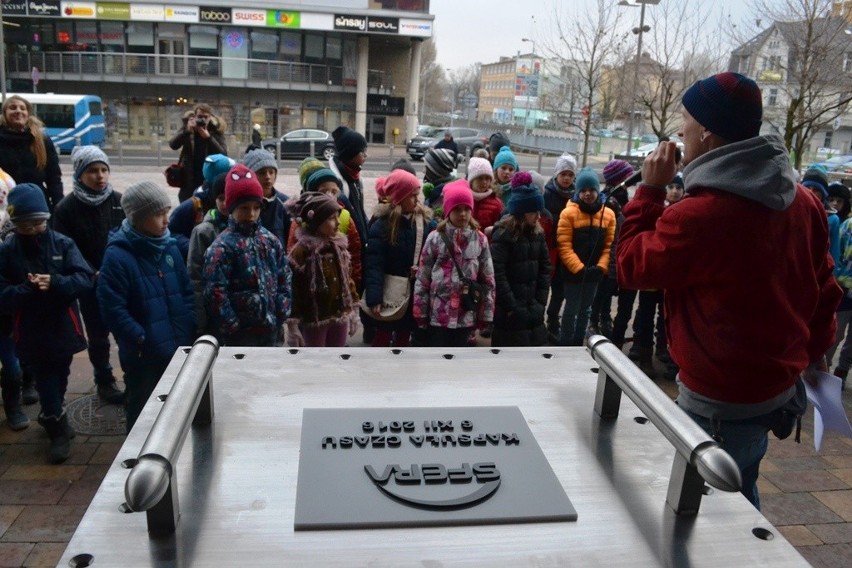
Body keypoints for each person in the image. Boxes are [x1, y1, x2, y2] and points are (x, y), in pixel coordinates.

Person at [617, 72, 841, 509]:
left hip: (717, 401)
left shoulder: (700, 216)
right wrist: (808, 358)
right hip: (773, 389)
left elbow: (630, 267)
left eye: (685, 120)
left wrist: (649, 190)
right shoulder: (803, 201)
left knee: (708, 509)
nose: (680, 132)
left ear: (706, 131)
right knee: (742, 483)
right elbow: (823, 290)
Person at [0, 183, 93, 462]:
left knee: (60, 373)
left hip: (62, 325)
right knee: (45, 379)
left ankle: (54, 413)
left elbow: (84, 279)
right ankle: (56, 425)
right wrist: (25, 290)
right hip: (30, 328)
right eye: (25, 224)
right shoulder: (8, 251)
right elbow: (2, 293)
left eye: (38, 223)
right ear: (15, 224)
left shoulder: (62, 244)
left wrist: (56, 283)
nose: (32, 229)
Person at [97, 181, 196, 432]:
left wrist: (189, 322)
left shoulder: (169, 247)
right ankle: (137, 458)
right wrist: (139, 337)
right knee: (142, 409)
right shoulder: (118, 256)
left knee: (176, 406)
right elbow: (112, 307)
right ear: (138, 218)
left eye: (167, 211)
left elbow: (186, 290)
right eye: (158, 214)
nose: (166, 220)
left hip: (177, 344)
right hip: (144, 355)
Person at [52, 146, 126, 404]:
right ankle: (104, 379)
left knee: (124, 329)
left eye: (104, 169)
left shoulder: (118, 201)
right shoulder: (66, 208)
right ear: (80, 174)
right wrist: (88, 272)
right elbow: (64, 247)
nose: (100, 175)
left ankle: (132, 374)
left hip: (119, 280)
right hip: (90, 282)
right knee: (97, 333)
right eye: (93, 170)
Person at [203, 164, 291, 347]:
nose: (250, 214)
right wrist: (232, 325)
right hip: (241, 335)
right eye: (244, 208)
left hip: (272, 327)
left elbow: (284, 276)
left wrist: (281, 311)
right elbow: (215, 292)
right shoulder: (222, 247)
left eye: (255, 208)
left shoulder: (270, 241)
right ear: (230, 208)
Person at [413, 180, 495, 347]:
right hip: (438, 315)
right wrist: (420, 310)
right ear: (448, 211)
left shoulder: (480, 240)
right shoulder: (435, 239)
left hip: (465, 316)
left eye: (466, 209)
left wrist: (486, 313)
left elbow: (488, 279)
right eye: (457, 209)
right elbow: (423, 277)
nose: (463, 214)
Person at [363, 169, 436, 348]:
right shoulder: (382, 226)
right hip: (390, 291)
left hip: (413, 292)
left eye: (417, 195)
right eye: (412, 196)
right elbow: (374, 264)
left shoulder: (425, 222)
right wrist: (375, 298)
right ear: (399, 197)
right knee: (384, 333)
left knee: (405, 333)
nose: (417, 200)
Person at [285, 192, 358, 347]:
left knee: (337, 356)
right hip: (314, 319)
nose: (338, 222)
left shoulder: (339, 248)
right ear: (316, 222)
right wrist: (293, 324)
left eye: (337, 217)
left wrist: (353, 310)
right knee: (316, 360)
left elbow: (347, 280)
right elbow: (294, 290)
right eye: (331, 218)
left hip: (339, 316)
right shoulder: (302, 252)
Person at [556, 167, 616, 347]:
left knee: (586, 310)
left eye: (591, 190)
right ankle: (566, 342)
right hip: (573, 273)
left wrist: (600, 267)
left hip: (594, 274)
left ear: (598, 190)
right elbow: (564, 245)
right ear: (577, 191)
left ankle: (577, 342)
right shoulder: (568, 214)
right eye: (583, 190)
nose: (587, 194)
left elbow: (609, 245)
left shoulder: (608, 214)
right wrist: (580, 269)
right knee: (571, 308)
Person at [490, 172, 551, 347]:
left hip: (534, 309)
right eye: (534, 212)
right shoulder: (504, 235)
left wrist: (540, 302)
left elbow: (545, 269)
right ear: (521, 212)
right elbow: (498, 274)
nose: (538, 216)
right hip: (510, 313)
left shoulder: (538, 234)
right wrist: (512, 307)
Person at [287, 168, 362, 287]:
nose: (329, 195)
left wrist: (354, 285)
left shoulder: (345, 217)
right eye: (324, 191)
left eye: (334, 191)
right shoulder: (300, 223)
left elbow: (355, 255)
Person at [593, 159, 636, 344]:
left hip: (617, 251)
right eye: (628, 176)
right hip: (608, 253)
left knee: (608, 290)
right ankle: (595, 321)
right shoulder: (610, 201)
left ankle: (603, 318)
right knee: (603, 291)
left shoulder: (621, 197)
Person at [0, 95, 63, 213]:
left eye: (22, 108)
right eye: (13, 108)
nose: (18, 111)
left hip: (37, 204)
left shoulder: (42, 140)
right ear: (5, 113)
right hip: (5, 205)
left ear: (28, 114)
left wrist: (58, 206)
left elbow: (54, 177)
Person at [168, 153, 235, 260]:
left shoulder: (235, 203)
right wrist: (193, 247)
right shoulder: (192, 205)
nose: (225, 203)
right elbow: (171, 232)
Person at [187, 172, 229, 337]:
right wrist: (200, 320)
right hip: (213, 315)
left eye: (229, 197)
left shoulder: (248, 229)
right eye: (220, 198)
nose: (225, 203)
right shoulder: (203, 232)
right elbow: (195, 276)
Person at [544, 153, 577, 342]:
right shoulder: (548, 194)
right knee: (545, 285)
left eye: (570, 174)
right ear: (556, 174)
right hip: (551, 249)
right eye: (563, 174)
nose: (566, 178)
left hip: (567, 251)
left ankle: (553, 319)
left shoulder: (575, 196)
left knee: (559, 290)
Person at [168, 103, 228, 202]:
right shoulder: (188, 128)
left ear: (210, 117)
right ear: (194, 117)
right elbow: (173, 145)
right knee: (187, 208)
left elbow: (223, 154)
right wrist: (186, 131)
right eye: (200, 117)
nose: (202, 120)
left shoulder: (215, 131)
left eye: (206, 117)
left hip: (208, 177)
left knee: (205, 206)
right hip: (189, 178)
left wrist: (209, 138)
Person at [328, 126, 369, 263]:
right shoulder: (337, 183)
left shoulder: (355, 175)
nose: (365, 156)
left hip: (359, 239)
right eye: (362, 152)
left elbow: (360, 211)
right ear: (350, 153)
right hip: (346, 243)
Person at [242, 149, 290, 245]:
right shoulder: (244, 203)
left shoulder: (285, 203)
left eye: (271, 172)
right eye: (262, 173)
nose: (268, 177)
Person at [467, 156, 503, 232]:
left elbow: (500, 229)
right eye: (480, 178)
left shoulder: (496, 203)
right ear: (472, 180)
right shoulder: (464, 199)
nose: (484, 182)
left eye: (487, 178)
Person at [422, 147, 458, 219]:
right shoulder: (436, 188)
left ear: (435, 171)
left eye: (426, 167)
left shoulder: (441, 195)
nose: (423, 171)